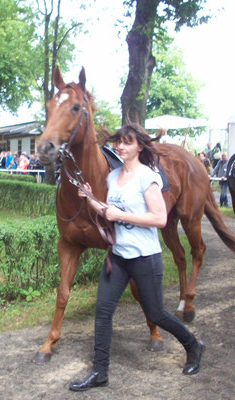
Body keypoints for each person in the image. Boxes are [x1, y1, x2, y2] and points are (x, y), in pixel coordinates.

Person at [69, 124, 205, 392]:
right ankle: (100, 372)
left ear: (139, 147)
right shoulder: (112, 177)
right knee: (103, 312)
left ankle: (193, 345)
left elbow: (159, 218)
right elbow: (111, 210)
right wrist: (89, 198)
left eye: (127, 142)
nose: (120, 146)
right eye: (118, 141)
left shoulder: (147, 176)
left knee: (157, 313)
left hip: (145, 258)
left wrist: (121, 216)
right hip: (118, 257)